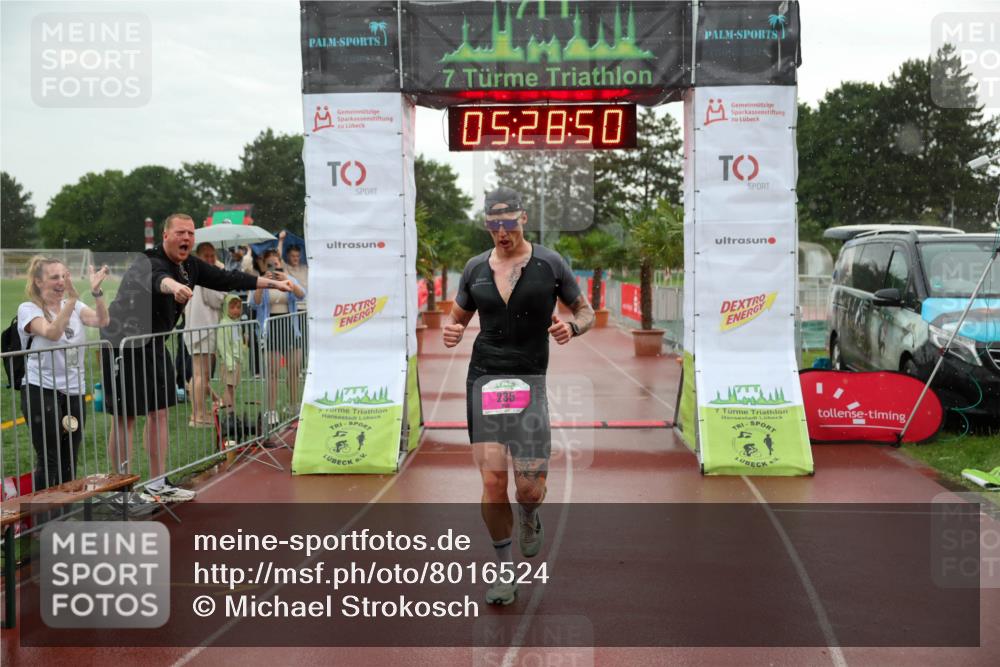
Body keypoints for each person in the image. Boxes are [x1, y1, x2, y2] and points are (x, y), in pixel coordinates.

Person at [442, 187, 595, 605]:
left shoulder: (550, 264)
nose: (501, 234)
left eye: (507, 225)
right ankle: (504, 571)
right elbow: (454, 319)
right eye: (493, 226)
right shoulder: (475, 269)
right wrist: (451, 330)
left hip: (529, 382)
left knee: (527, 489)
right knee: (493, 482)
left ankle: (529, 514)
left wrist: (572, 327)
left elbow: (587, 312)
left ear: (522, 219)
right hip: (485, 379)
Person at [100, 213, 294, 502]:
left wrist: (268, 283)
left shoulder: (190, 265)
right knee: (125, 417)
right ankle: (119, 490)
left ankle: (157, 483)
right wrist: (174, 287)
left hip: (153, 343)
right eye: (180, 233)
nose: (186, 238)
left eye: (190, 233)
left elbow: (226, 279)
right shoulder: (148, 261)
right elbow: (158, 280)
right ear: (165, 236)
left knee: (160, 413)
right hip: (121, 345)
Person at [17, 257, 110, 491]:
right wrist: (72, 301)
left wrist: (97, 292)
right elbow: (52, 332)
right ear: (38, 281)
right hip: (41, 389)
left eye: (64, 276)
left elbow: (102, 320)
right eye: (55, 277)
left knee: (69, 458)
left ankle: (64, 516)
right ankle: (42, 521)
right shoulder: (29, 309)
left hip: (74, 390)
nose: (62, 282)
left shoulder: (76, 306)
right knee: (50, 459)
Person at [249, 248, 306, 426]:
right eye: (270, 265)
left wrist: (288, 281)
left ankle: (294, 406)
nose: (274, 267)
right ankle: (271, 411)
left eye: (276, 263)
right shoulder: (261, 281)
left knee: (294, 370)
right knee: (272, 373)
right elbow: (253, 303)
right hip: (270, 327)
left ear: (280, 263)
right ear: (264, 266)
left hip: (290, 326)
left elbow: (301, 294)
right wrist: (263, 283)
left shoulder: (289, 278)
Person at [183, 242, 226, 426]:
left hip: (196, 326)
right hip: (203, 327)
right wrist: (224, 291)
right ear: (198, 256)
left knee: (199, 374)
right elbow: (214, 299)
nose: (210, 259)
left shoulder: (192, 271)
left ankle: (198, 413)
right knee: (201, 374)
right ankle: (198, 416)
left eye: (212, 255)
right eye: (206, 255)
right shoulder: (204, 274)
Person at [216, 293, 246, 411]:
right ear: (226, 308)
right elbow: (223, 345)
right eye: (232, 307)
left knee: (233, 388)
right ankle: (230, 413)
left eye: (238, 307)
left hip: (236, 361)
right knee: (230, 388)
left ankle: (229, 411)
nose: (236, 310)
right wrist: (229, 362)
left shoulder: (236, 323)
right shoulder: (224, 324)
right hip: (229, 362)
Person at [278, 231, 308, 312]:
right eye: (293, 256)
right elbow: (277, 258)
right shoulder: (285, 267)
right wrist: (281, 240)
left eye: (297, 256)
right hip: (293, 307)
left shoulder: (306, 268)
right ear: (287, 256)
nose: (295, 258)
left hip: (308, 306)